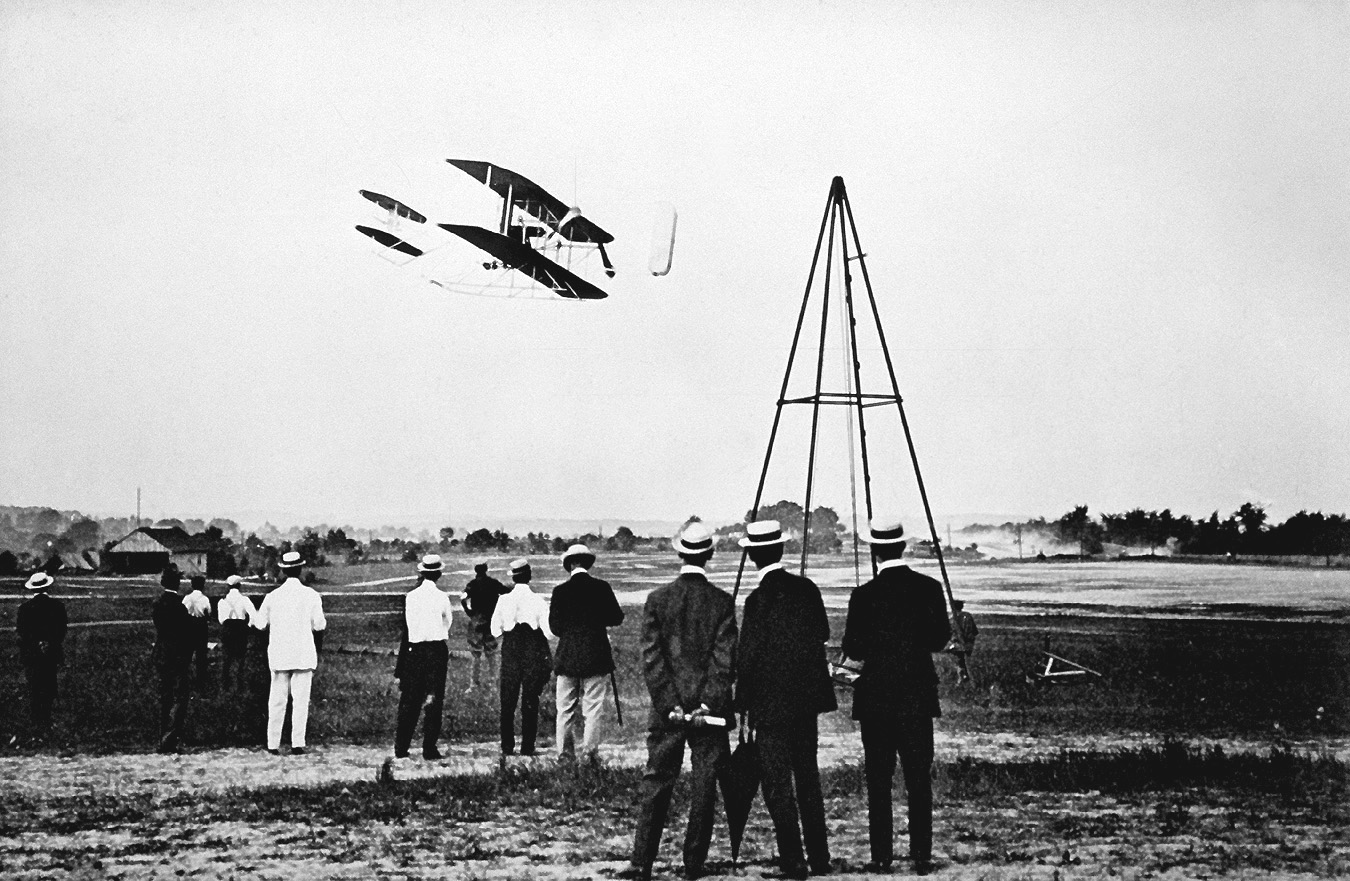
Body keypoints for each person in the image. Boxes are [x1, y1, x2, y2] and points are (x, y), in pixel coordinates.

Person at [620, 522, 737, 881]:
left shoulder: (657, 599)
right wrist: (706, 705)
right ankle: (693, 865)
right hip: (709, 716)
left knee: (657, 782)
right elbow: (724, 661)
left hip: (666, 712)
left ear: (679, 553)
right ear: (710, 555)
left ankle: (641, 864)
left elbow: (652, 658)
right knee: (704, 786)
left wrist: (670, 704)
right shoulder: (721, 602)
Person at [841, 519, 952, 876]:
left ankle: (881, 855)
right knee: (919, 777)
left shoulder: (863, 596)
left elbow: (853, 648)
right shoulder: (929, 588)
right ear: (902, 547)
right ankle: (921, 852)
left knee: (878, 780)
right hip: (917, 697)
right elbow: (939, 640)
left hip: (875, 700)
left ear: (874, 551)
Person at [735, 519, 836, 879]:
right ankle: (821, 858)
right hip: (805, 704)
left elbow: (746, 659)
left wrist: (742, 703)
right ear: (781, 550)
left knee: (778, 786)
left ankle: (793, 861)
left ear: (752, 556)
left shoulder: (756, 601)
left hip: (770, 707)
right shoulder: (807, 590)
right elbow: (822, 633)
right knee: (808, 778)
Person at [549, 543, 625, 759]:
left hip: (568, 656)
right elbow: (616, 618)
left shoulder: (560, 591)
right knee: (593, 708)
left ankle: (564, 753)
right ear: (587, 564)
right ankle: (590, 754)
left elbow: (555, 628)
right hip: (596, 654)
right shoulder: (602, 587)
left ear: (570, 564)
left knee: (565, 709)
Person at [252, 551, 326, 755]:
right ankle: (297, 743)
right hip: (302, 654)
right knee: (301, 701)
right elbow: (319, 625)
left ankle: (273, 743)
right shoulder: (311, 595)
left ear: (283, 571)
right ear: (300, 569)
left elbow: (260, 624)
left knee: (276, 700)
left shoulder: (272, 597)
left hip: (280, 654)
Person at [490, 558, 554, 756]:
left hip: (511, 649)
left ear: (513, 578)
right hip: (532, 650)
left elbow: (494, 630)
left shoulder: (503, 600)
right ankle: (528, 746)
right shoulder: (538, 601)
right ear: (530, 577)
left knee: (507, 700)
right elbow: (550, 633)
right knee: (530, 700)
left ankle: (507, 746)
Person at [393, 554, 453, 760]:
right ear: (439, 574)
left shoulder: (411, 597)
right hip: (436, 651)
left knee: (409, 700)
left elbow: (409, 628)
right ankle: (429, 748)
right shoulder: (442, 597)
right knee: (434, 700)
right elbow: (448, 623)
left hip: (415, 651)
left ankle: (401, 747)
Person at [16, 571, 67, 743]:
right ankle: (46, 718)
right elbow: (61, 629)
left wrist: (36, 643)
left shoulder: (25, 608)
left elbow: (22, 631)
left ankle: (37, 721)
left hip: (32, 654)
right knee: (49, 685)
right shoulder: (57, 606)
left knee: (34, 686)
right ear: (48, 586)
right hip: (51, 652)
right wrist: (49, 642)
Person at [152, 568, 194, 753]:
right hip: (178, 655)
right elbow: (186, 633)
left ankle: (162, 735)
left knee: (164, 696)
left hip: (161, 653)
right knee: (180, 696)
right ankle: (170, 738)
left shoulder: (158, 604)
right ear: (177, 584)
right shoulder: (180, 606)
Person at [461, 562, 507, 693]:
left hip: (476, 619)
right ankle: (493, 683)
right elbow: (506, 593)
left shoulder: (472, 584)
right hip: (490, 620)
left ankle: (473, 684)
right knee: (491, 653)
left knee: (475, 654)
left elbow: (463, 599)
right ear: (486, 570)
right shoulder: (493, 583)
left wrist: (469, 612)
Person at [217, 575, 256, 693]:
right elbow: (253, 615)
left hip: (228, 628)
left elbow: (221, 619)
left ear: (228, 586)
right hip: (240, 628)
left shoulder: (222, 601)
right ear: (239, 585)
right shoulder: (245, 600)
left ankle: (225, 685)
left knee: (226, 658)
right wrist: (247, 626)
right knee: (240, 658)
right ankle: (239, 685)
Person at [183, 574, 212, 690]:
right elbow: (208, 613)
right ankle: (200, 681)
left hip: (189, 626)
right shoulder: (205, 599)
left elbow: (183, 611)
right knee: (201, 655)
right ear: (203, 586)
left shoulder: (187, 598)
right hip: (201, 626)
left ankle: (185, 678)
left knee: (187, 653)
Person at [948, 599, 979, 685]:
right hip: (968, 644)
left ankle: (962, 677)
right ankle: (964, 677)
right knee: (964, 661)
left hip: (958, 645)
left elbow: (949, 634)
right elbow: (974, 632)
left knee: (960, 662)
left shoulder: (951, 619)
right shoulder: (967, 616)